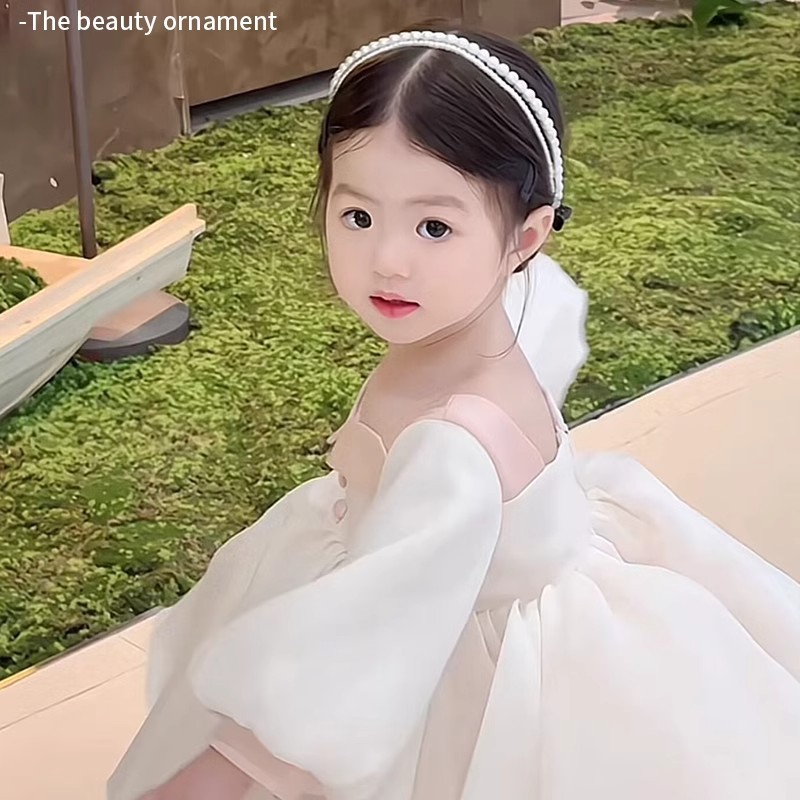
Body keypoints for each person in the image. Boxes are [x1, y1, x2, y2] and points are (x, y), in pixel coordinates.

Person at [108, 21, 800, 800]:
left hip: (440, 646)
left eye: (434, 226)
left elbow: (362, 653)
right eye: (358, 216)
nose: (388, 260)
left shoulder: (452, 450)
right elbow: (547, 320)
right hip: (431, 582)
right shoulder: (493, 316)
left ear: (525, 238)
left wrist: (220, 777)